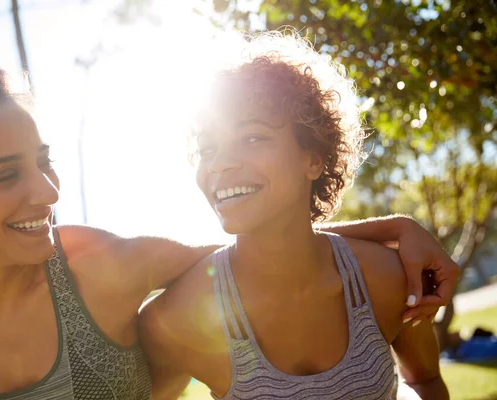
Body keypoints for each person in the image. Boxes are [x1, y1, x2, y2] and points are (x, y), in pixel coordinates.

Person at [0, 64, 454, 399]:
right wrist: (395, 228)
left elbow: (264, 246)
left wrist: (394, 229)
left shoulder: (103, 265)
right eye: (5, 174)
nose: (47, 191)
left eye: (44, 161)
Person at [139, 33, 450, 399]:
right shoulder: (174, 321)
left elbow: (426, 380)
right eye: (208, 148)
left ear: (313, 159)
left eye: (253, 138)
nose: (220, 163)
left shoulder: (386, 278)